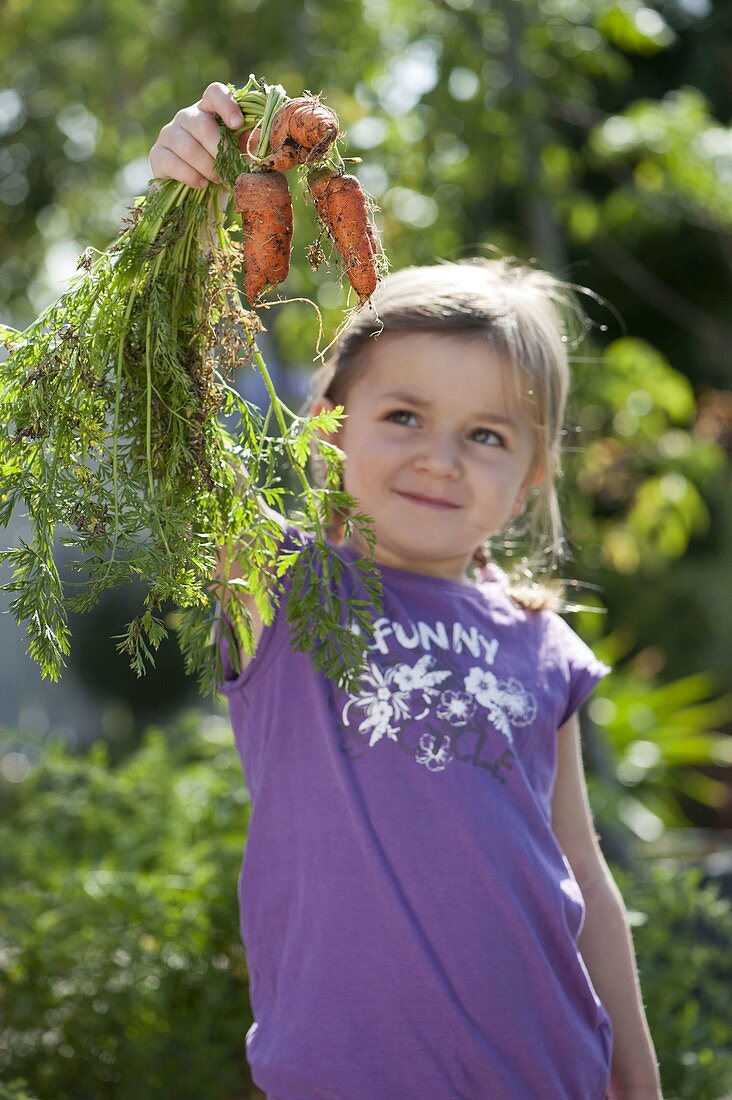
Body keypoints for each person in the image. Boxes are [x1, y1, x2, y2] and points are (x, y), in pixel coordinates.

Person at [150, 83, 664, 1100]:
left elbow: (583, 875)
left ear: (530, 476)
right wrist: (181, 210)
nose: (440, 456)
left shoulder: (538, 637)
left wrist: (638, 1082)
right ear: (328, 422)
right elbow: (174, 413)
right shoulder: (281, 579)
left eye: (485, 434)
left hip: (551, 1074)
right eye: (403, 415)